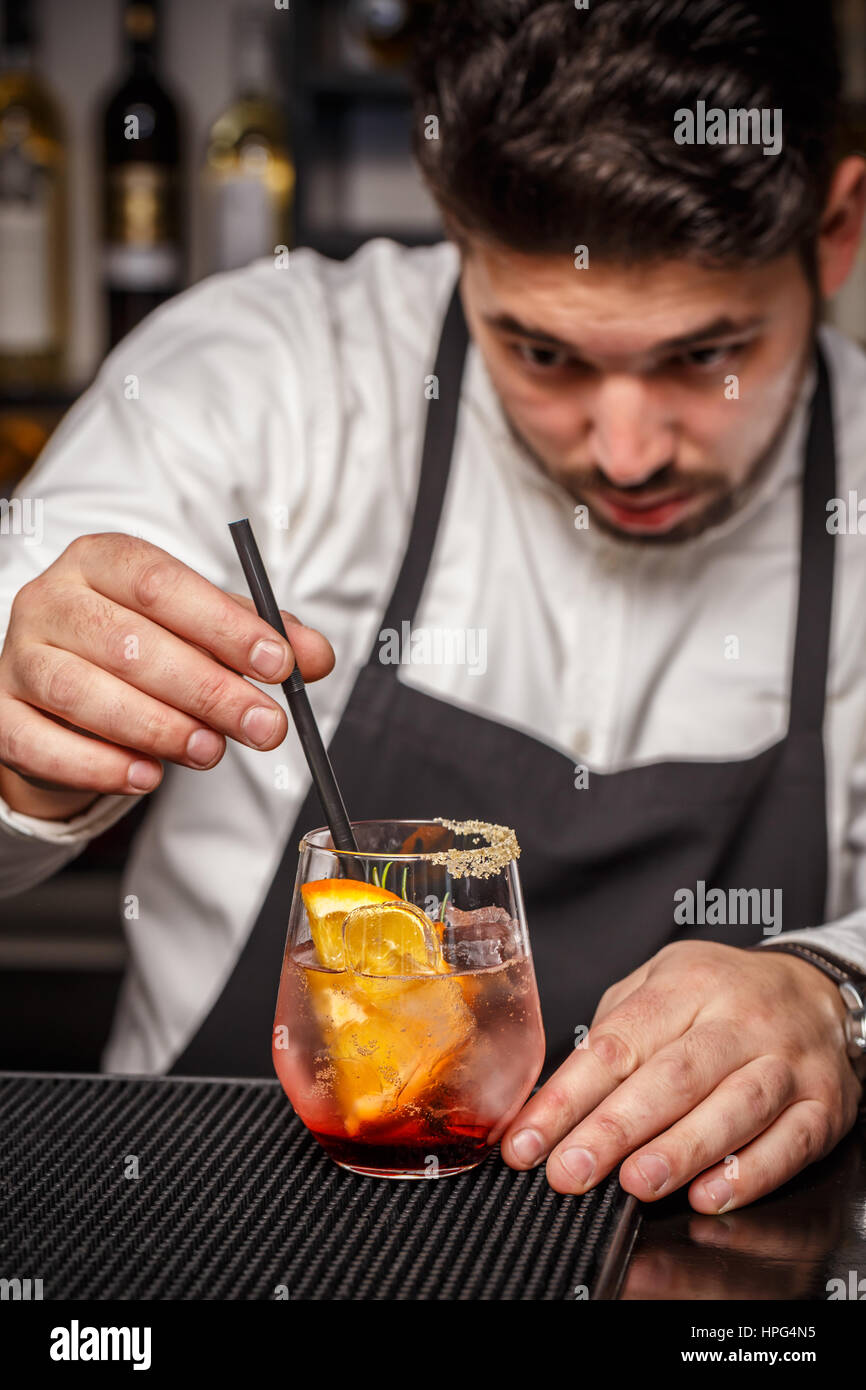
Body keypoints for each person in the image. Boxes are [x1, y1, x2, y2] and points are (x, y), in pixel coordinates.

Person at [1, 0, 865, 1216]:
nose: (624, 453)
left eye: (698, 355)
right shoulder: (265, 377)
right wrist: (26, 748)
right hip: (202, 1226)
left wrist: (837, 989)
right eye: (544, 354)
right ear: (455, 241)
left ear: (832, 234)